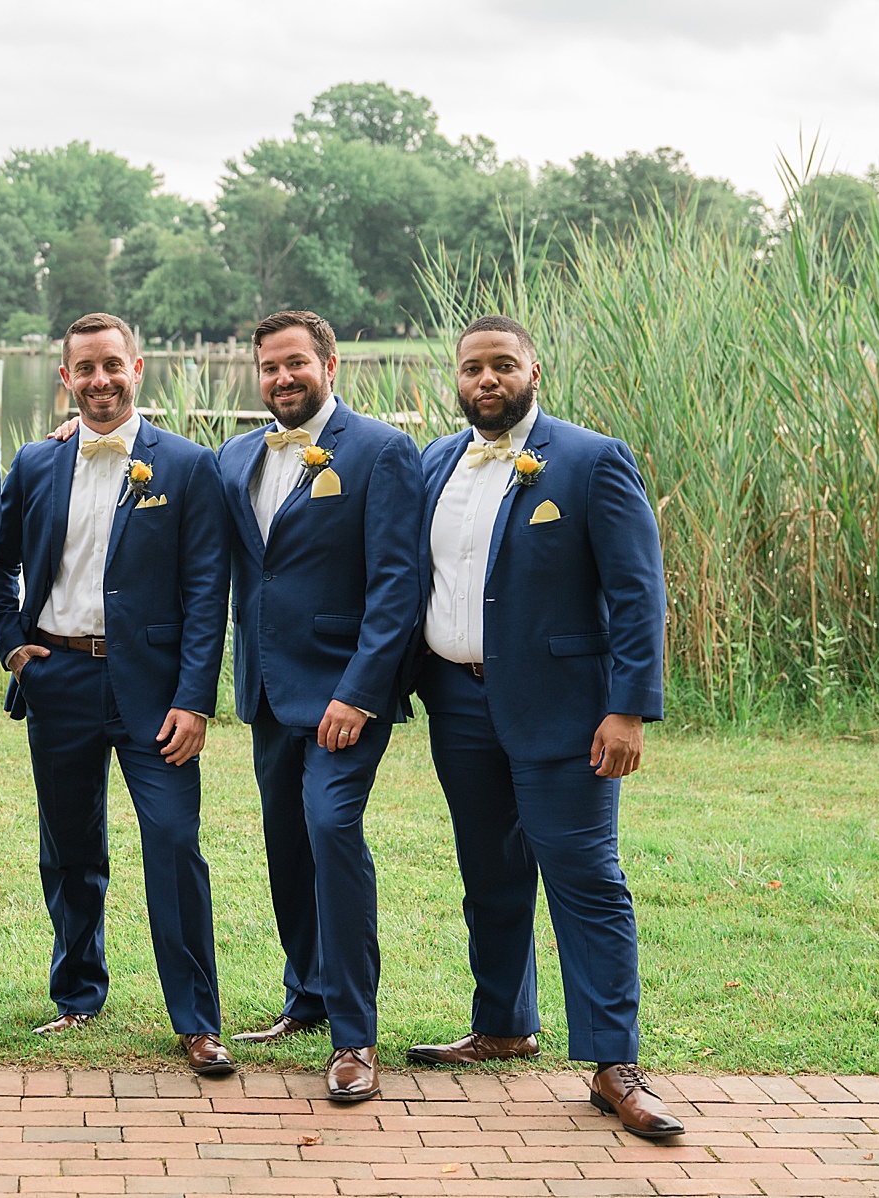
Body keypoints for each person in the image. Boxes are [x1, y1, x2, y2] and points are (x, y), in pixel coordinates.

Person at [406, 314, 681, 1138]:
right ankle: (503, 1024)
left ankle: (614, 1063)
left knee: (586, 879)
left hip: (567, 710)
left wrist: (628, 707)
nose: (486, 381)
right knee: (488, 871)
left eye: (502, 366)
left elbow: (639, 593)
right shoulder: (434, 463)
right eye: (471, 369)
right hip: (456, 704)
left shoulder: (593, 460)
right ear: (455, 381)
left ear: (534, 371)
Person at [0, 313, 234, 1074]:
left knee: (173, 843)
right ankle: (78, 995)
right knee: (68, 848)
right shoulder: (34, 462)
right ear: (65, 378)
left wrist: (193, 701)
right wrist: (13, 649)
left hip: (154, 695)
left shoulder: (188, 465)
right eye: (84, 369)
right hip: (58, 677)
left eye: (111, 366)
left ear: (138, 368)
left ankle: (196, 1020)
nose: (99, 380)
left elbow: (204, 591)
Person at [215, 311, 423, 1102]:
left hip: (345, 693)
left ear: (329, 364)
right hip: (269, 690)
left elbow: (398, 585)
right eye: (268, 368)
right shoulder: (236, 455)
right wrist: (75, 431)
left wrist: (361, 692)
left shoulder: (381, 451)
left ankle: (354, 1035)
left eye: (296, 363)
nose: (282, 379)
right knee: (285, 842)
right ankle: (304, 993)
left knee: (333, 830)